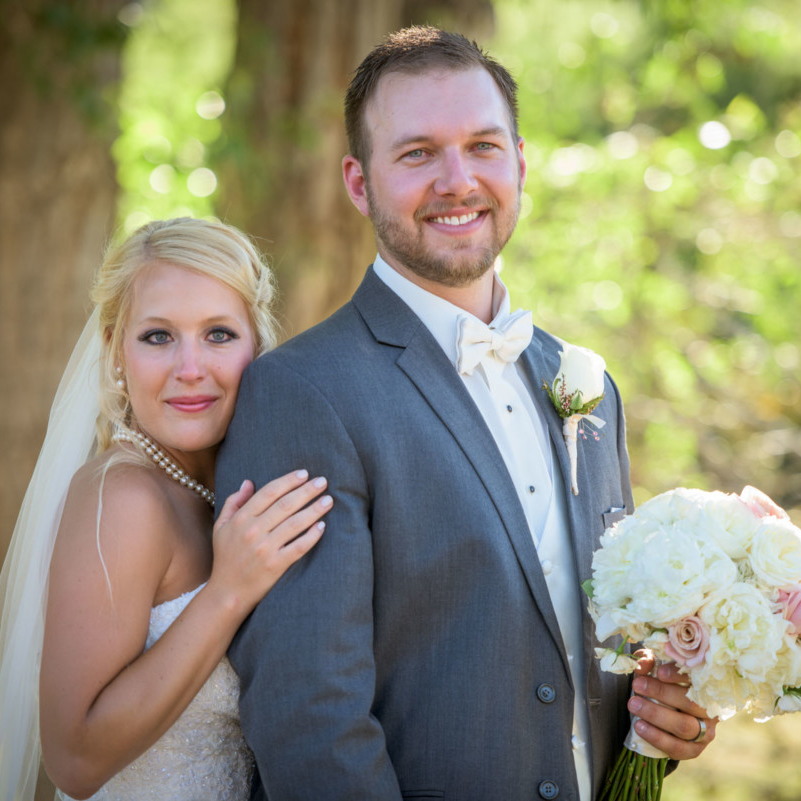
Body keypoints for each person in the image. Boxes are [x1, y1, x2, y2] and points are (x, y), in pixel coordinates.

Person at [216, 26, 717, 800]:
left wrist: (662, 718)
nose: (458, 180)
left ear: (520, 162)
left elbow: (579, 642)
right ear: (359, 182)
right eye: (417, 154)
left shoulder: (586, 384)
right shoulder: (304, 393)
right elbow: (311, 719)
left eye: (483, 146)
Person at [0, 217, 331, 801]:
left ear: (257, 344)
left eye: (218, 334)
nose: (191, 368)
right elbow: (75, 760)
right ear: (114, 350)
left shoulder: (230, 489)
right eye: (158, 336)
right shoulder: (123, 499)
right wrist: (227, 592)